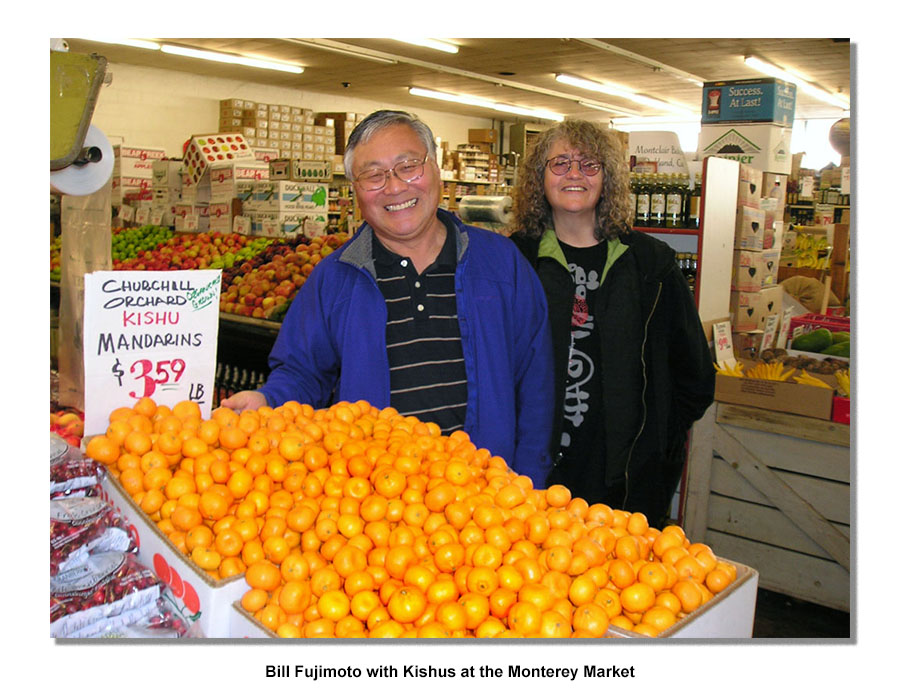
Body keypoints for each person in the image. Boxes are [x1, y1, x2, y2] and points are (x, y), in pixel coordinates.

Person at [223, 110, 554, 486]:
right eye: (373, 174)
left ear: (435, 170)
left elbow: (536, 381)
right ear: (355, 189)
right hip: (379, 509)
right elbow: (303, 373)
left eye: (408, 166)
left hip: (487, 503)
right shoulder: (336, 278)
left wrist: (530, 481)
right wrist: (267, 402)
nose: (394, 187)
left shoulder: (500, 264)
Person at [510, 119, 715, 527]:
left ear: (608, 178)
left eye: (589, 164)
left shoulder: (650, 263)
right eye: (561, 163)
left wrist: (658, 442)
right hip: (531, 477)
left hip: (626, 482)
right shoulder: (515, 260)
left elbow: (693, 373)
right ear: (539, 177)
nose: (574, 174)